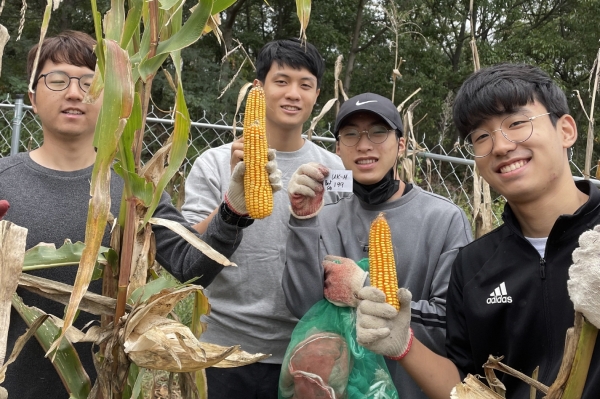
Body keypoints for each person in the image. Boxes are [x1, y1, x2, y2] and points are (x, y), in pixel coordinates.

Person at [0, 30, 280, 398]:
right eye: (57, 80)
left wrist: (234, 209)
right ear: (33, 98)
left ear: (111, 99)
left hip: (105, 385)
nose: (73, 92)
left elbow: (189, 266)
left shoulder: (132, 188)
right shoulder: (4, 180)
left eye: (91, 82)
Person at [354, 63, 600, 399]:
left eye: (517, 123)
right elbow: (467, 385)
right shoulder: (473, 266)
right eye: (481, 136)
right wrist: (402, 344)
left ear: (566, 130)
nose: (500, 146)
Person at [181, 39, 345, 398]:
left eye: (305, 85)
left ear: (317, 95)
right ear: (259, 88)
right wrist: (231, 201)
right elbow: (186, 251)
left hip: (302, 348)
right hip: (222, 349)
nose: (293, 94)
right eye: (281, 81)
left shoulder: (333, 170)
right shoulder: (213, 163)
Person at [281, 92, 472, 398]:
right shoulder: (323, 219)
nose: (364, 144)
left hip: (412, 387)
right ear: (338, 148)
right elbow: (303, 308)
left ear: (401, 144)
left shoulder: (444, 219)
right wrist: (303, 221)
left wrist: (362, 288)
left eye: (379, 132)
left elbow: (452, 320)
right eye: (351, 134)